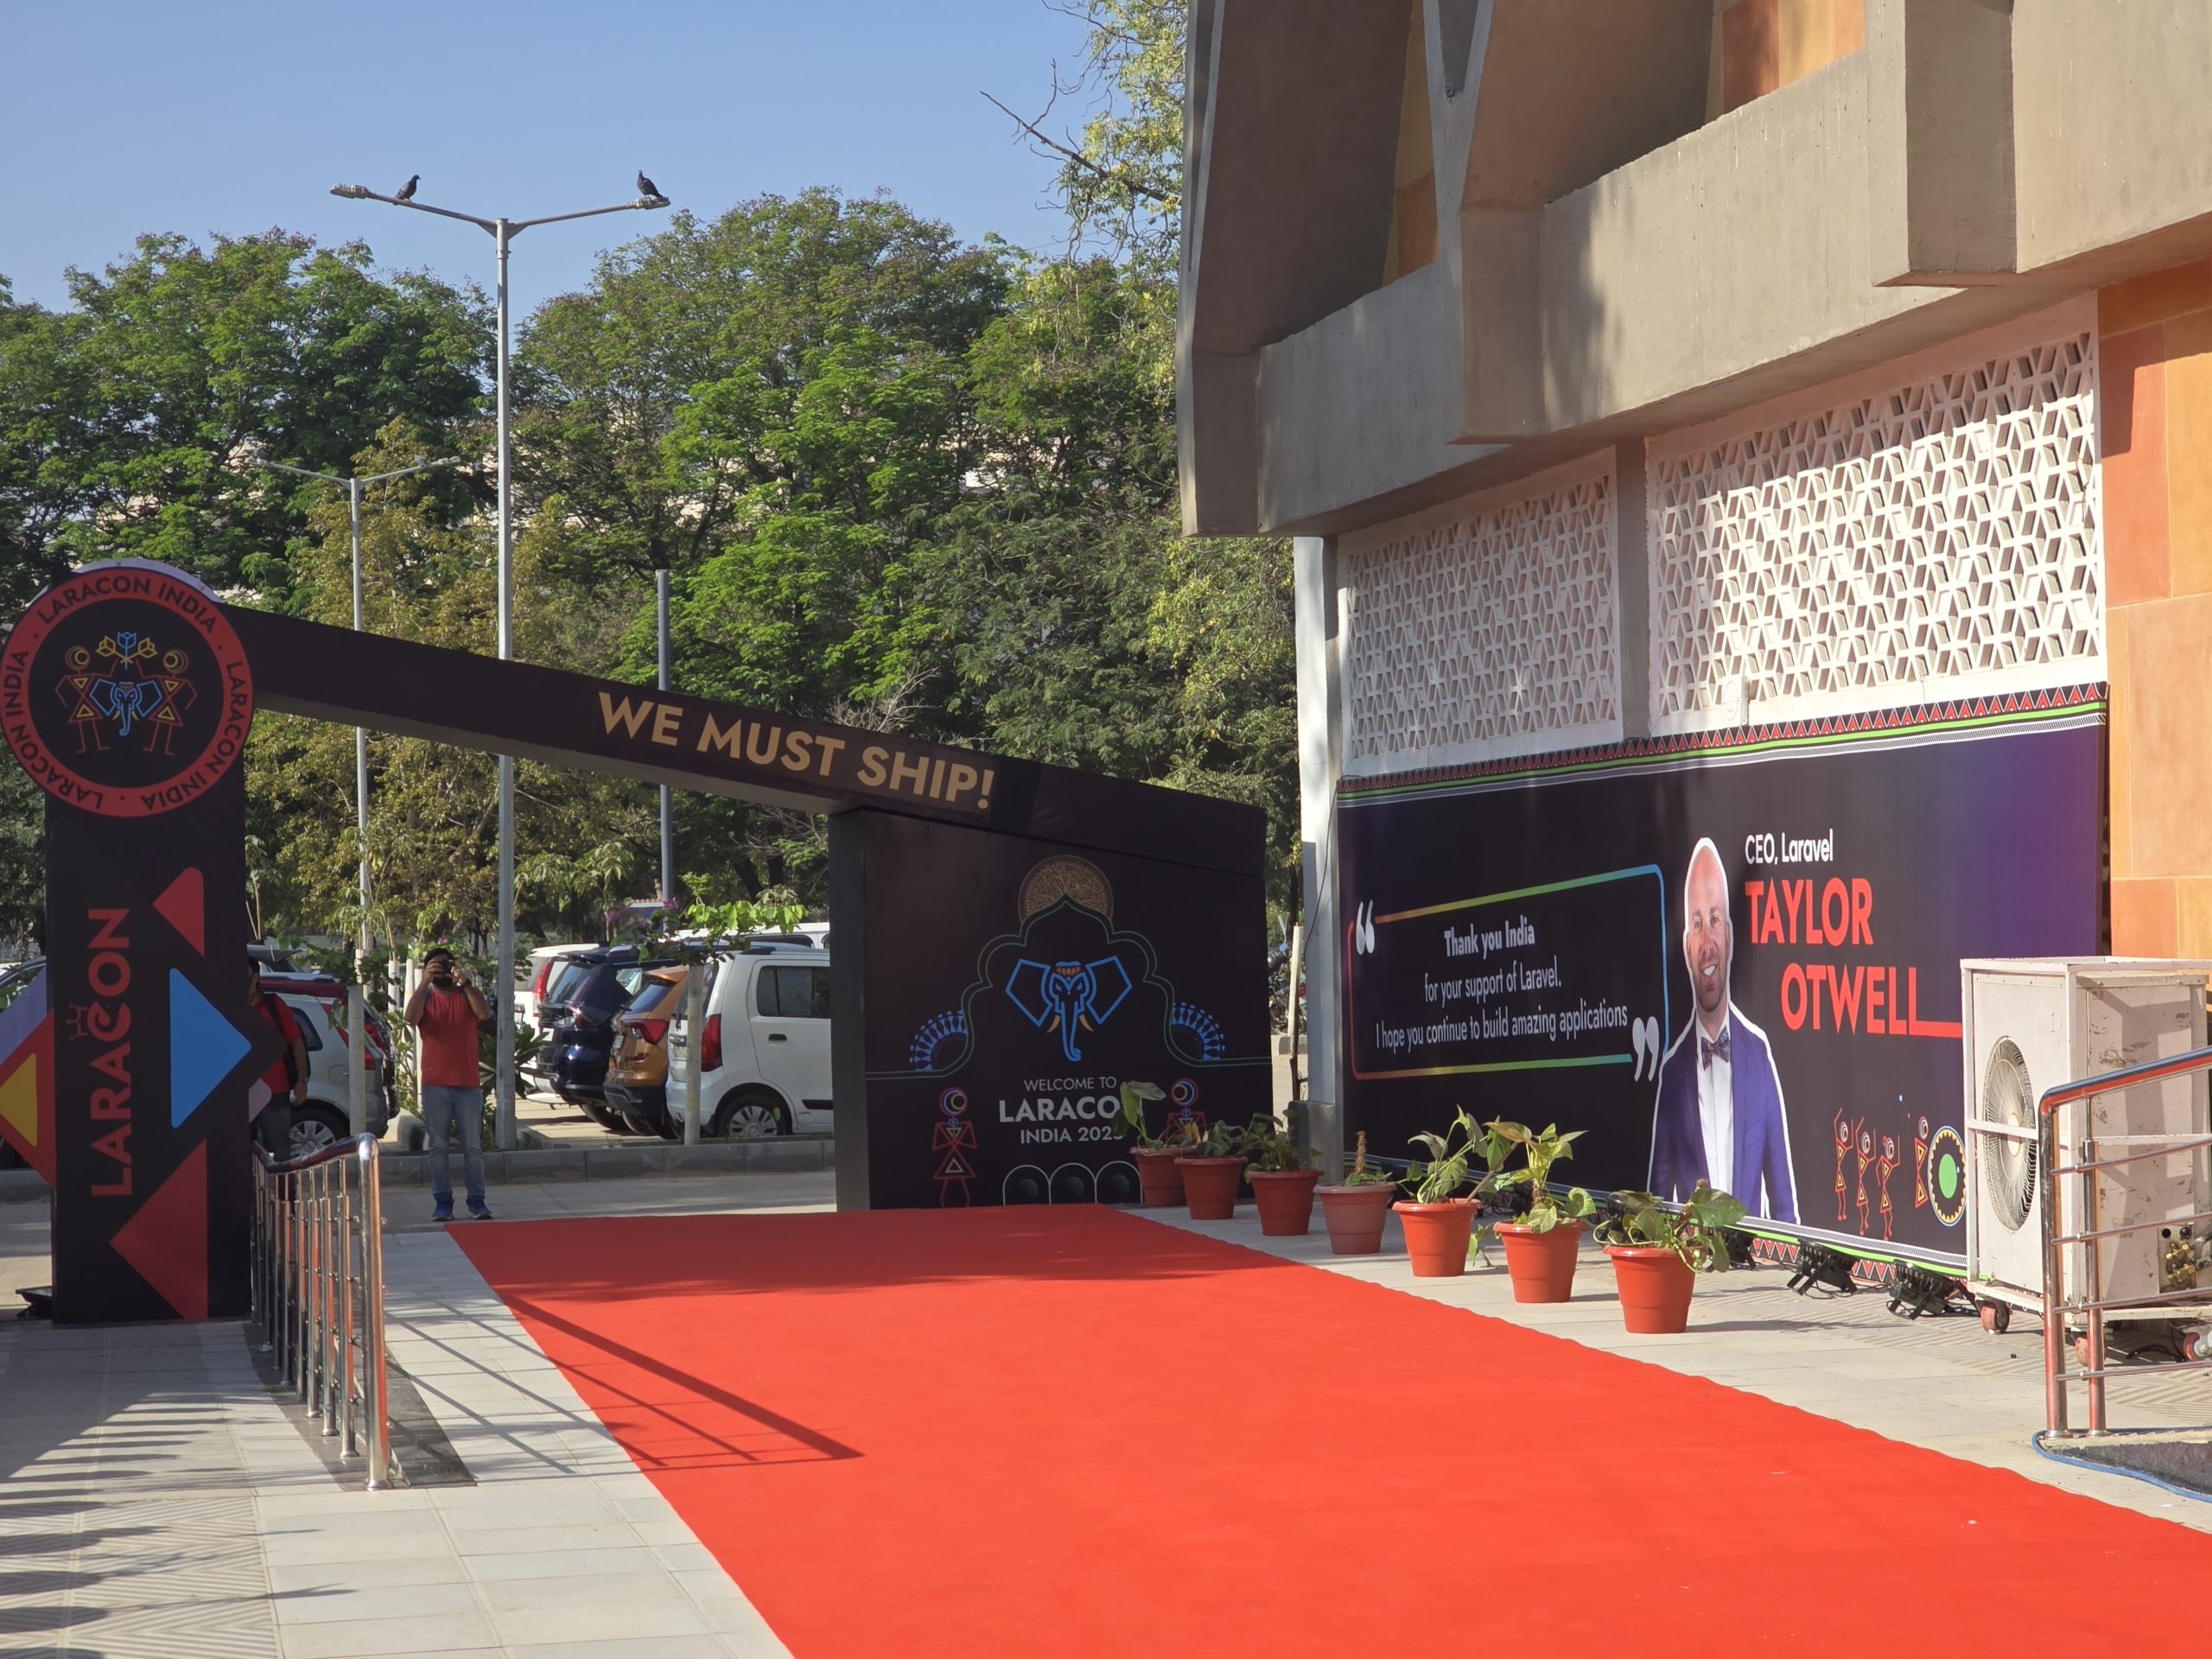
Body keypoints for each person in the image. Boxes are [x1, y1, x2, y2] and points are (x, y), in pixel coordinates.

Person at [1648, 837, 1798, 1222]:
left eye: (1714, 920)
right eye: (1697, 924)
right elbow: (1655, 1204)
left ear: (1729, 936)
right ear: (1687, 947)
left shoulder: (1758, 1056)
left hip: (1751, 1261)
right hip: (1693, 1256)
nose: (1707, 942)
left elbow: (1783, 1204)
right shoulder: (1673, 1073)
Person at [405, 948, 493, 1221]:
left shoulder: (466, 995)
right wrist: (424, 981)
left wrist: (465, 982)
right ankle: (442, 1202)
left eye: (446, 964)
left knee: (473, 1147)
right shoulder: (426, 998)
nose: (442, 969)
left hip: (467, 1084)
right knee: (438, 1146)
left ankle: (477, 1202)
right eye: (436, 965)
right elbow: (410, 1018)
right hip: (436, 1085)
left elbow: (485, 1014)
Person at [250, 961, 309, 1158]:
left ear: (255, 977)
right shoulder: (229, 1006)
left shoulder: (273, 1005)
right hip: (241, 1092)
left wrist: (301, 1080)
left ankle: (283, 1181)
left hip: (275, 1092)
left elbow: (296, 1043)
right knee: (240, 1153)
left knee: (279, 1150)